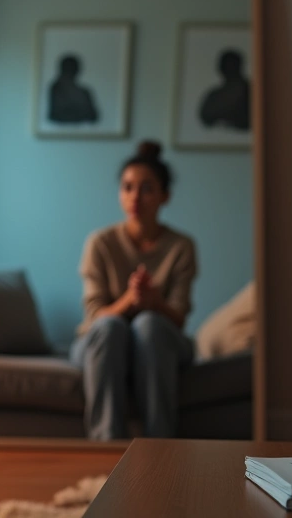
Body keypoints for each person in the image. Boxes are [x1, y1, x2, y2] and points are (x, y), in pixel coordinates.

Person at [71, 140, 197, 441]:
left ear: (165, 196)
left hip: (158, 340)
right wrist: (129, 300)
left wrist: (154, 302)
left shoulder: (181, 246)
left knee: (149, 325)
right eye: (127, 187)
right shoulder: (101, 243)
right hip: (103, 338)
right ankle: (107, 448)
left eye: (147, 188)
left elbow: (179, 319)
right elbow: (94, 314)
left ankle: (159, 449)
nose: (135, 197)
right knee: (111, 327)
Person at [47, 54, 99, 124]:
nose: (70, 73)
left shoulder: (84, 92)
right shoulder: (56, 89)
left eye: (72, 69)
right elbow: (55, 114)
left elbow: (93, 116)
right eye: (68, 69)